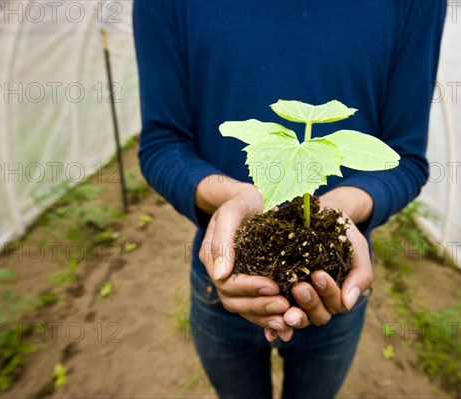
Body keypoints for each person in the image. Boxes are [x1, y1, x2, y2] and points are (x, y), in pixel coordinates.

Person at [133, 1, 445, 397]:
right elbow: (162, 143)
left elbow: (404, 160)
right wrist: (239, 196)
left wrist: (343, 205)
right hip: (224, 277)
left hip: (337, 278)